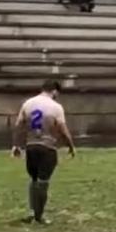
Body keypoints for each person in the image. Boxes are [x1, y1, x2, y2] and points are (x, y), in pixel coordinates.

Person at [11, 80, 76, 224]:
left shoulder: (28, 103)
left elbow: (19, 126)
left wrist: (16, 145)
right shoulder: (56, 107)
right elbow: (62, 129)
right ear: (54, 91)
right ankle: (39, 216)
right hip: (48, 147)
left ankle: (32, 212)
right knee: (44, 182)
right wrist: (71, 145)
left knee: (34, 180)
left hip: (31, 146)